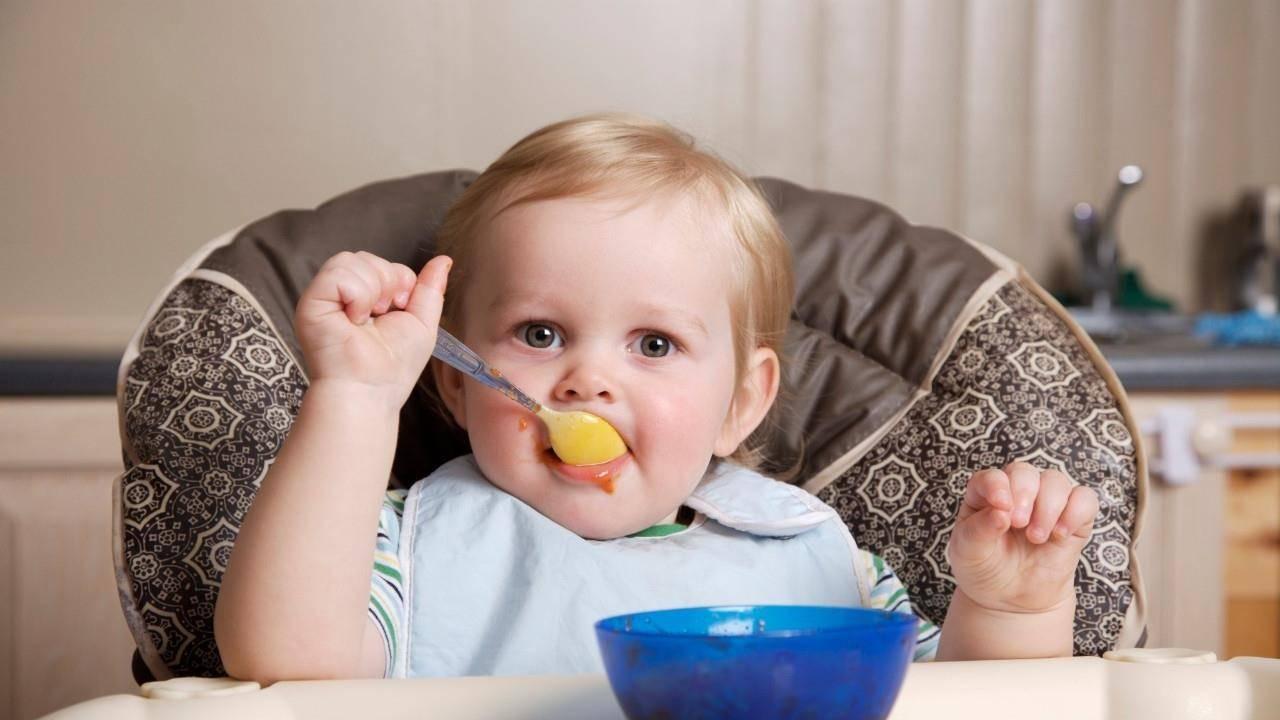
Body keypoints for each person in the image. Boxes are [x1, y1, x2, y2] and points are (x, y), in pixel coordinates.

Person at [215, 114, 1099, 683]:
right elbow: (287, 662)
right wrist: (359, 395)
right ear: (451, 378)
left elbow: (980, 710)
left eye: (654, 344)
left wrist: (1012, 611)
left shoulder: (819, 564)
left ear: (740, 403)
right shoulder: (407, 547)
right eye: (540, 333)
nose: (589, 380)